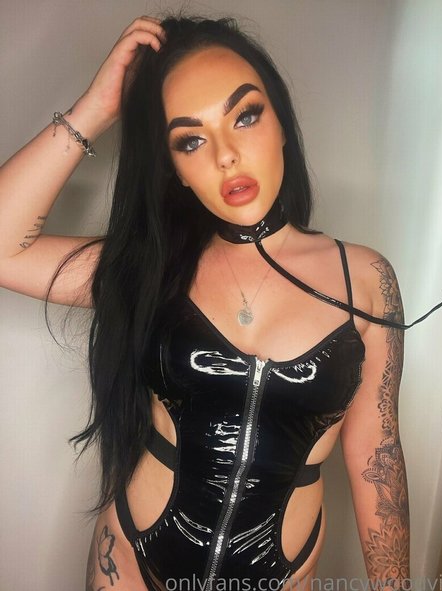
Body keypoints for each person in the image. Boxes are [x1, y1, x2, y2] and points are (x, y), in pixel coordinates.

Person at [0, 15, 411, 591]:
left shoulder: (365, 279)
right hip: (132, 560)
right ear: (176, 170)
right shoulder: (150, 265)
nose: (225, 156)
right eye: (190, 140)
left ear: (282, 123)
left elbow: (376, 451)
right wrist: (95, 109)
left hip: (281, 573)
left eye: (245, 115)